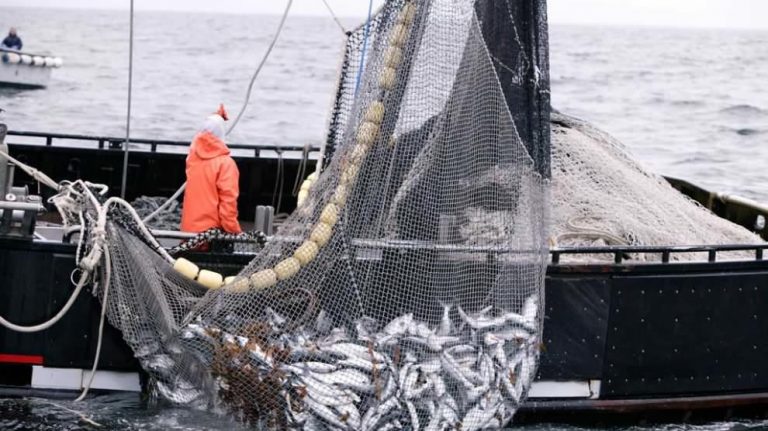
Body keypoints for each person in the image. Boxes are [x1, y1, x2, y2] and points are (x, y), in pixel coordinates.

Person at [180, 104, 242, 234]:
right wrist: (235, 232)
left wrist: (216, 118)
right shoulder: (226, 164)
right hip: (212, 236)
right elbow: (228, 204)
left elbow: (201, 138)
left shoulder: (192, 159)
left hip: (188, 232)